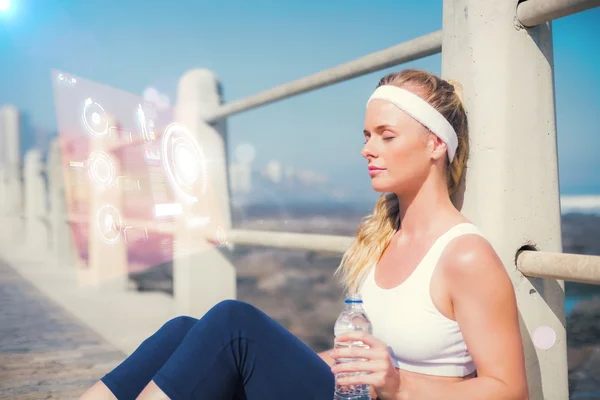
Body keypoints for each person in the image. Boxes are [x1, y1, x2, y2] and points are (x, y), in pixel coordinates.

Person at [80, 69, 529, 400]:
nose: (367, 148)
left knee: (234, 324)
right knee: (185, 332)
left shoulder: (464, 255)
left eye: (386, 135)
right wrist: (286, 365)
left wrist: (397, 383)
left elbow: (510, 389)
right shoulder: (382, 239)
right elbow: (355, 365)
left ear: (436, 144)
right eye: (367, 134)